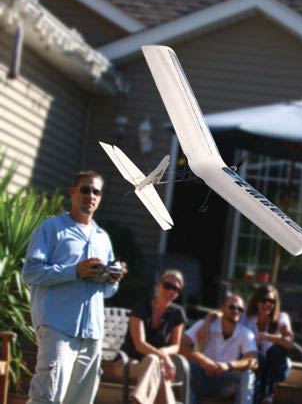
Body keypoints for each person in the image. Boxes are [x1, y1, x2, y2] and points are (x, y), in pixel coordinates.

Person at [22, 170, 127, 404]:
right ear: (72, 192)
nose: (91, 195)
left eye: (96, 192)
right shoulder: (51, 228)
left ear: (100, 198)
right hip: (57, 328)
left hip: (92, 334)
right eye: (85, 189)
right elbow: (31, 272)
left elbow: (107, 292)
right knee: (47, 397)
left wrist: (112, 279)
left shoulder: (102, 237)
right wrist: (75, 271)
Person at [196, 285, 294, 404]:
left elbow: (289, 342)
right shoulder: (246, 317)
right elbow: (219, 313)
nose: (267, 304)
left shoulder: (281, 318)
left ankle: (267, 395)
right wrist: (206, 324)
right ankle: (259, 398)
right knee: (256, 359)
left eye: (271, 301)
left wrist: (265, 336)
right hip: (257, 366)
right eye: (263, 300)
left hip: (275, 368)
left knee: (276, 351)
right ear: (257, 301)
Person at [121, 269, 187, 404]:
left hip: (157, 364)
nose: (171, 291)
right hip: (129, 361)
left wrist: (162, 353)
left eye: (175, 289)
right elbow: (139, 344)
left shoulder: (177, 313)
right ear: (159, 285)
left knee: (154, 362)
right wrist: (164, 357)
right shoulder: (141, 307)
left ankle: (138, 400)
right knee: (153, 361)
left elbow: (176, 346)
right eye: (167, 285)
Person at [181, 293, 258, 404]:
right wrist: (203, 360)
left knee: (248, 375)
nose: (236, 311)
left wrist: (228, 365)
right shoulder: (204, 325)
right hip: (202, 375)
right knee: (187, 366)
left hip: (226, 381)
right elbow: (180, 345)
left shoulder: (246, 333)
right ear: (223, 308)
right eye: (232, 307)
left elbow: (253, 361)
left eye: (240, 309)